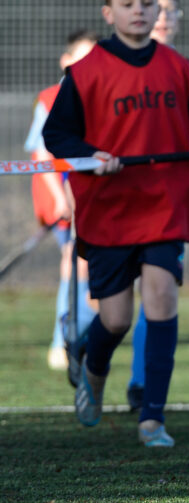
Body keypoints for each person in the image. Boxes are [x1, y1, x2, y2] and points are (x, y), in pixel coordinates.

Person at [42, 0, 189, 448]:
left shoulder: (178, 69)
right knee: (114, 319)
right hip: (110, 210)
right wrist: (89, 156)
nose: (139, 11)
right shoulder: (87, 72)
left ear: (158, 10)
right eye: (128, 4)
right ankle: (93, 364)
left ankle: (152, 417)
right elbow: (58, 135)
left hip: (164, 206)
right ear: (109, 13)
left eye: (147, 3)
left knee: (160, 300)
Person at [125, 0, 189, 412]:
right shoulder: (117, 65)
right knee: (113, 303)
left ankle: (143, 385)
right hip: (121, 201)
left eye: (169, 10)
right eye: (154, 8)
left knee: (157, 291)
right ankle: (91, 343)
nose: (162, 16)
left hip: (168, 204)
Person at [23, 30, 101, 370]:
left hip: (92, 197)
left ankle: (75, 340)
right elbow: (41, 153)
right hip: (63, 201)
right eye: (81, 57)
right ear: (65, 61)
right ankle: (63, 342)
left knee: (95, 274)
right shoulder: (51, 98)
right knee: (77, 261)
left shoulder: (100, 95)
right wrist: (59, 198)